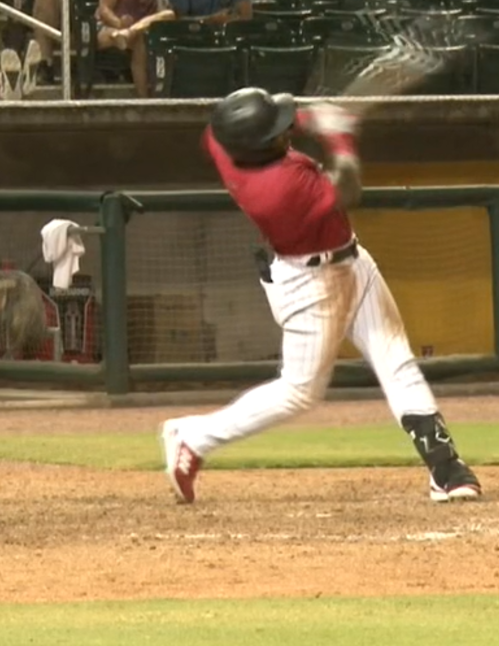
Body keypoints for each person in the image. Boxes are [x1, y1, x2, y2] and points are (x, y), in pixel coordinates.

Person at [161, 89, 481, 505]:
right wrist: (340, 138)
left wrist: (314, 118)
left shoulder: (224, 140)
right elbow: (348, 187)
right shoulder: (279, 189)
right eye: (276, 133)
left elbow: (271, 125)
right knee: (298, 392)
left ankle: (445, 467)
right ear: (258, 148)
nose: (285, 134)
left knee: (395, 357)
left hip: (351, 263)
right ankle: (193, 437)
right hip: (313, 287)